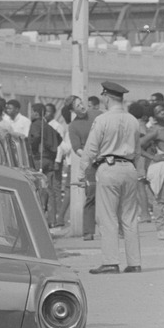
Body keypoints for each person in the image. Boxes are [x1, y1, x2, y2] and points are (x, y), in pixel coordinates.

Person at [78, 81, 143, 274]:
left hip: (109, 167)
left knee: (108, 217)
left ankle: (110, 262)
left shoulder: (103, 119)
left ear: (106, 97)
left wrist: (82, 172)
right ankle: (134, 263)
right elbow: (138, 151)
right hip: (129, 168)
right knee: (130, 217)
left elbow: (90, 149)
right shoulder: (133, 120)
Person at [140, 101, 164, 240]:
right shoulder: (155, 130)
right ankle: (161, 228)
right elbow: (138, 146)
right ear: (153, 115)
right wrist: (153, 157)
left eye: (163, 109)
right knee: (160, 197)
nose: (162, 112)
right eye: (158, 111)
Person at [67, 95, 97, 240]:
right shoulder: (73, 126)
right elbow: (76, 148)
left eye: (82, 103)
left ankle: (120, 229)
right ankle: (88, 231)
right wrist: (89, 157)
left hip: (107, 157)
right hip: (90, 163)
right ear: (73, 110)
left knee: (112, 192)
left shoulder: (97, 115)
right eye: (78, 106)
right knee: (91, 194)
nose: (82, 106)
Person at [29, 103, 62, 227]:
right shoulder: (48, 126)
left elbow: (36, 136)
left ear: (36, 113)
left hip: (39, 159)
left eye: (32, 112)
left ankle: (39, 219)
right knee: (50, 190)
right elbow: (59, 138)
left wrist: (33, 148)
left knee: (37, 188)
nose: (30, 114)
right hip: (49, 160)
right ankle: (52, 220)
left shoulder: (36, 125)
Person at [128, 102, 154, 223]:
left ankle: (145, 214)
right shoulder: (144, 125)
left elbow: (140, 143)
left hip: (140, 158)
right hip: (145, 158)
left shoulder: (137, 125)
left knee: (140, 186)